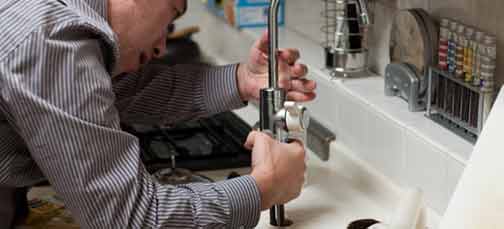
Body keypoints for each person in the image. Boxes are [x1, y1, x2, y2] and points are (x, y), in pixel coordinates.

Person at [0, 0, 317, 228]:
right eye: (171, 18)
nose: (161, 47)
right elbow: (130, 219)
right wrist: (264, 186)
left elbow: (122, 93)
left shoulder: (49, 17)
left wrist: (241, 81)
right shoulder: (52, 40)